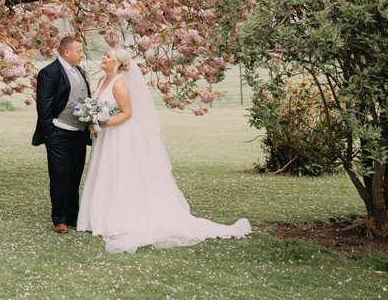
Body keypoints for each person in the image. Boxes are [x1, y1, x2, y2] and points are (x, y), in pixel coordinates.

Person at [77, 48, 252, 253]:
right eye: (105, 54)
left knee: (120, 172)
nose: (104, 57)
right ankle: (97, 216)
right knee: (103, 172)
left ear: (116, 63)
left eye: (108, 56)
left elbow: (127, 113)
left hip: (118, 135)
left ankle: (121, 217)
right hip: (104, 137)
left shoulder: (119, 83)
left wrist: (102, 123)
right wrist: (93, 119)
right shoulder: (100, 81)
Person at [32, 35, 92, 234]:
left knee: (74, 176)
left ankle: (74, 216)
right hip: (58, 133)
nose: (82, 55)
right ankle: (60, 219)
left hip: (79, 134)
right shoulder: (49, 73)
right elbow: (44, 106)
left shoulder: (80, 71)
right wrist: (51, 134)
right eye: (79, 51)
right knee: (59, 176)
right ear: (67, 52)